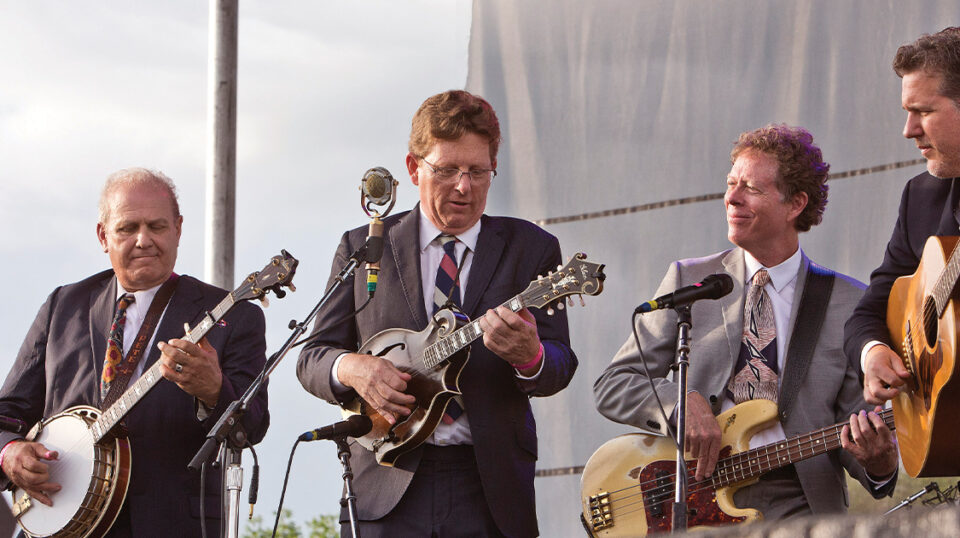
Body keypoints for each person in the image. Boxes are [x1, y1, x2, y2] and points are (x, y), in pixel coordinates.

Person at [296, 89, 577, 538]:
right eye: (447, 170)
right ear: (414, 169)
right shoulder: (364, 247)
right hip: (383, 483)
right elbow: (313, 358)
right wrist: (353, 369)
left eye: (478, 172)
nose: (464, 187)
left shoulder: (532, 248)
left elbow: (560, 363)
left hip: (489, 491)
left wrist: (531, 357)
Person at [594, 124, 897, 520]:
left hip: (800, 504)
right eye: (730, 183)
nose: (731, 198)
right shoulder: (689, 280)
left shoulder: (850, 302)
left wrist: (879, 462)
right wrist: (678, 404)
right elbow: (614, 384)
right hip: (696, 496)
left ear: (795, 204)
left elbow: (859, 431)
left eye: (751, 188)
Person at [0, 168, 270, 536]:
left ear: (178, 229)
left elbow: (252, 426)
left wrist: (214, 391)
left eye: (157, 227)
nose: (144, 240)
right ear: (103, 236)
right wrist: (10, 452)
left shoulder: (234, 315)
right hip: (62, 523)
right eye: (128, 228)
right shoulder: (63, 305)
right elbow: (7, 415)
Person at [845, 26, 960, 498]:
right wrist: (873, 353)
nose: (909, 130)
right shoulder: (920, 198)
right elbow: (871, 308)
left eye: (922, 111)